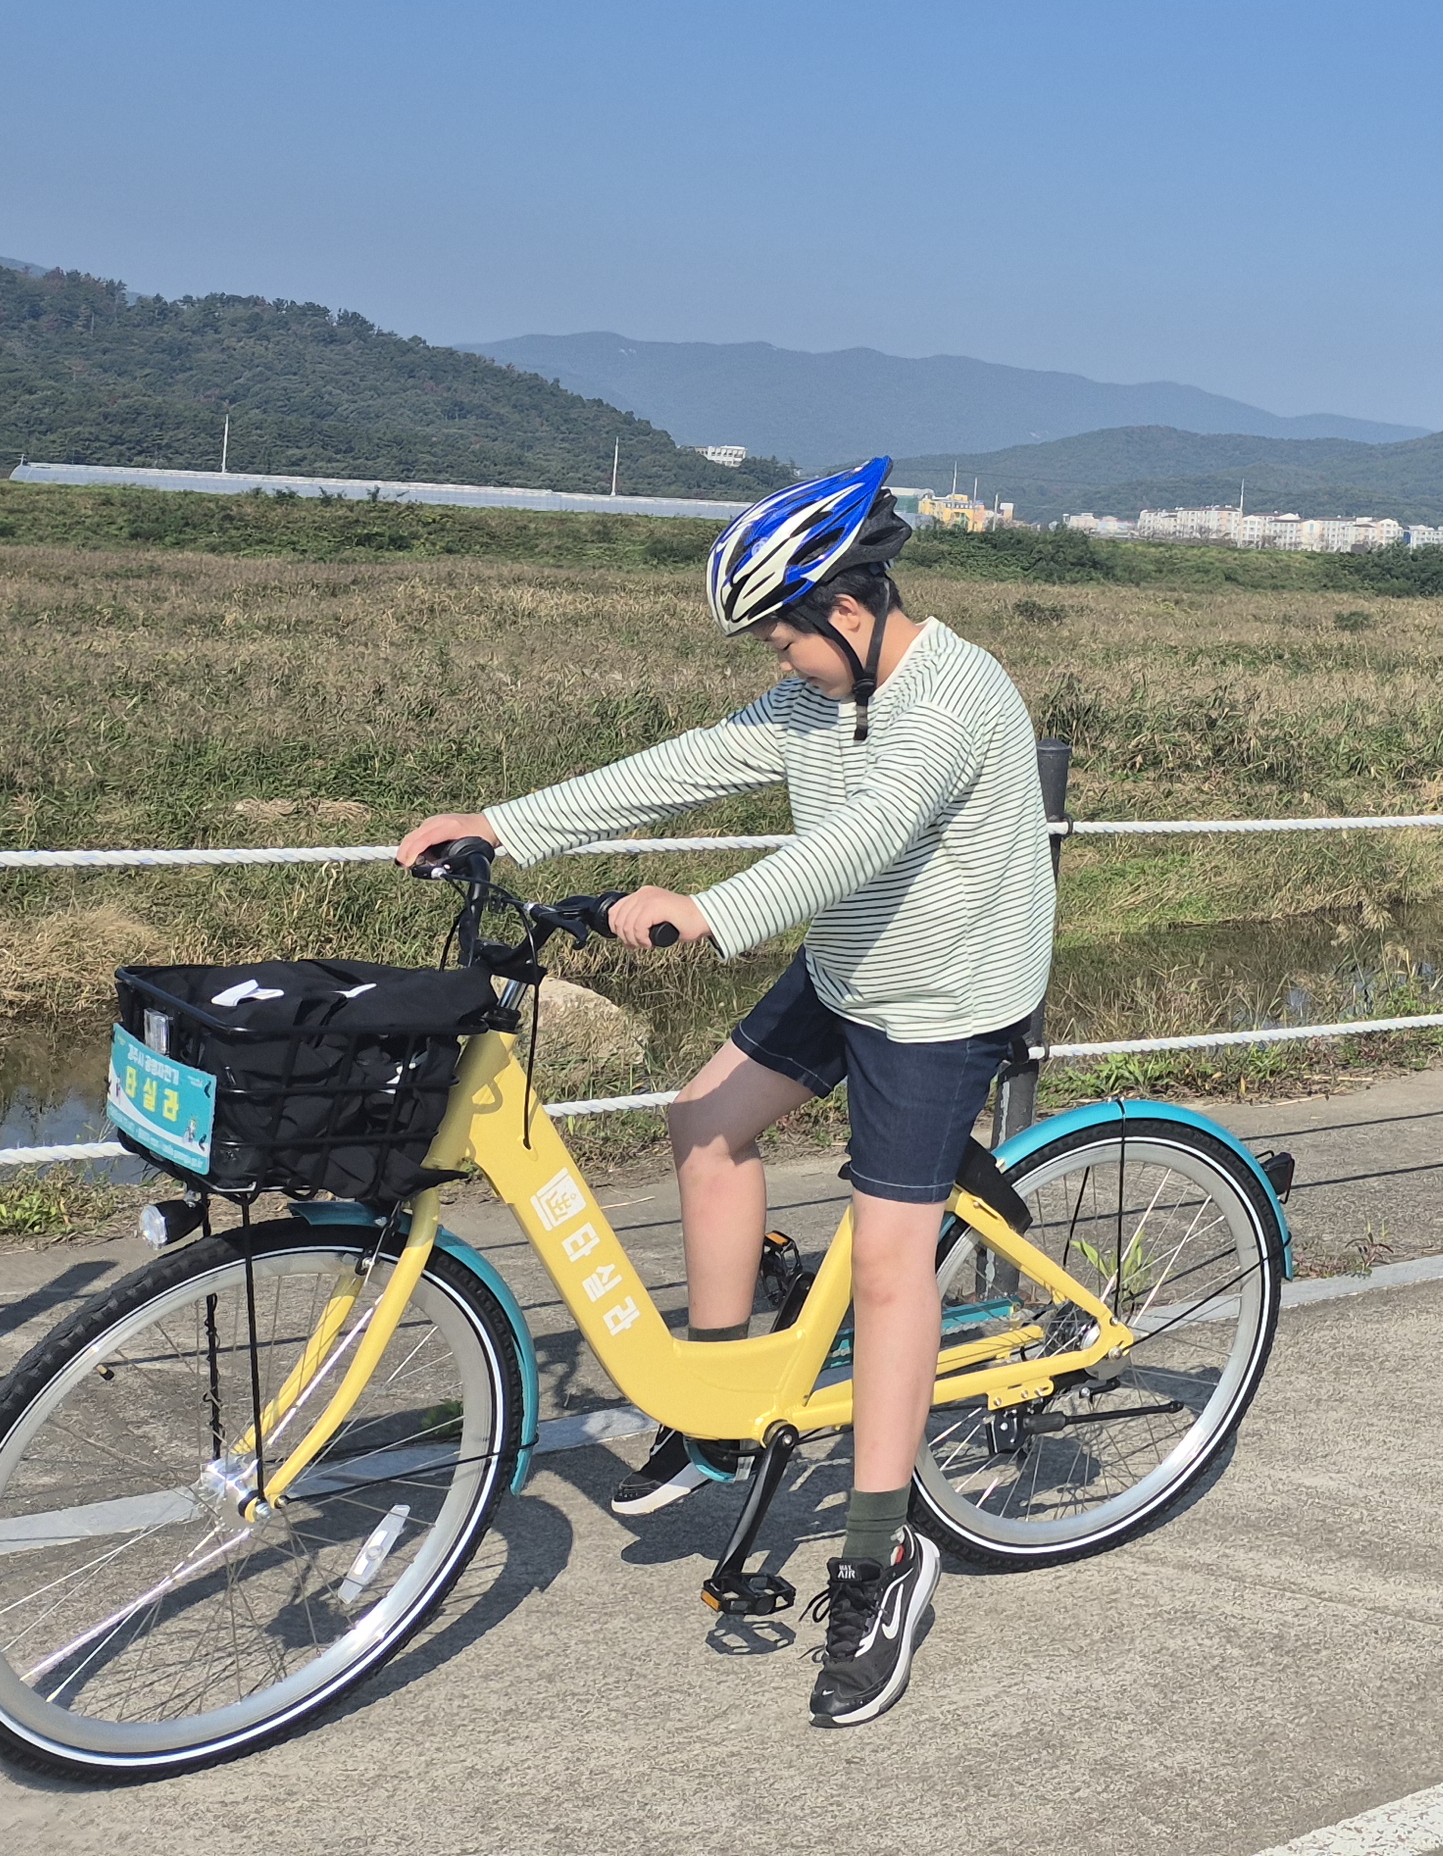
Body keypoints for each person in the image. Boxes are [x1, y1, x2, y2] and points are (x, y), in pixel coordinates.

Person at [393, 458, 1054, 1730]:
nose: (778, 657)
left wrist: (708, 910)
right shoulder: (824, 696)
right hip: (857, 959)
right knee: (703, 1126)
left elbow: (855, 842)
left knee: (888, 1269)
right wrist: (505, 823)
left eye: (781, 633)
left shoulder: (957, 697)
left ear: (849, 613)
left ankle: (880, 1560)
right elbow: (700, 757)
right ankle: (720, 1410)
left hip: (943, 997)